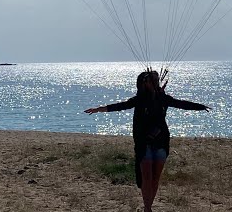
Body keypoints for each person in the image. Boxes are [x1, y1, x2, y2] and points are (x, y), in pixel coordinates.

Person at [85, 69, 209, 212]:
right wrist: (99, 110)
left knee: (155, 178)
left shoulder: (163, 98)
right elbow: (121, 106)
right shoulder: (139, 99)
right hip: (144, 143)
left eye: (156, 80)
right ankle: (147, 208)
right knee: (147, 177)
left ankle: (147, 207)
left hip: (161, 141)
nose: (155, 82)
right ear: (145, 83)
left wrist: (200, 107)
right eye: (152, 80)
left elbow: (181, 104)